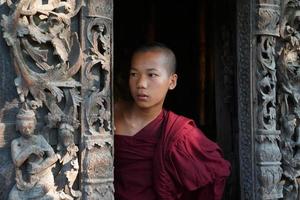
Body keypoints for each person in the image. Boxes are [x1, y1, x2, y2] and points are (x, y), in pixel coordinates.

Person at [114, 43, 231, 200]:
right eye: (134, 74)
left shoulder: (179, 133)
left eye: (152, 75)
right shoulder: (106, 115)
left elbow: (215, 172)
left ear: (172, 81)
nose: (141, 83)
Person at [8, 106, 58, 200]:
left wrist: (40, 167)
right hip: (26, 181)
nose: (27, 130)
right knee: (12, 197)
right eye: (24, 128)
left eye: (30, 127)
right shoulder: (16, 143)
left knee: (41, 190)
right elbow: (17, 162)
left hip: (43, 176)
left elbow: (53, 157)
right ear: (18, 127)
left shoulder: (40, 139)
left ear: (35, 125)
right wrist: (30, 149)